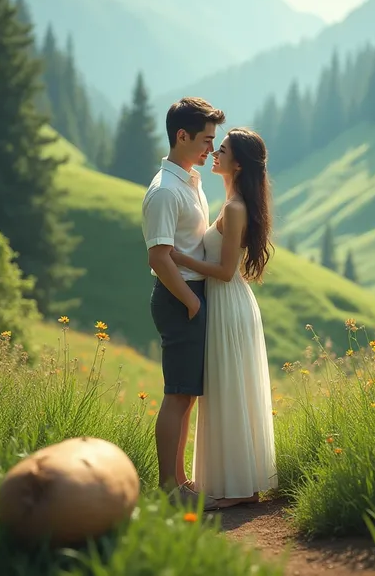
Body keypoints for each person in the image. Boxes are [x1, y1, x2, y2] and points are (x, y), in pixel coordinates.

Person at [171, 127, 278, 508]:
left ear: (238, 163)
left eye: (224, 149)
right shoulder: (232, 202)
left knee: (226, 390)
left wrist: (179, 258)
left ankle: (232, 490)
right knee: (231, 389)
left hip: (228, 302)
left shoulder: (234, 209)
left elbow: (227, 270)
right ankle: (241, 485)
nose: (215, 151)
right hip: (228, 304)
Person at [142, 96, 225, 511]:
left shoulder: (189, 180)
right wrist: (192, 301)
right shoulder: (163, 192)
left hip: (190, 296)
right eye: (206, 140)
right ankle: (169, 487)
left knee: (187, 394)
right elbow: (158, 257)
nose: (211, 148)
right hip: (179, 299)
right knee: (177, 394)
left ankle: (180, 481)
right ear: (182, 135)